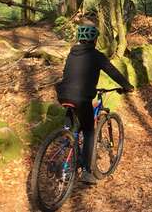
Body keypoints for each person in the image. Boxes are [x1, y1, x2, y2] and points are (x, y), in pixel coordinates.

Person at [55, 20, 134, 184]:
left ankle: (65, 153)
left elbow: (67, 75)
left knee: (72, 128)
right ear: (95, 40)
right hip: (82, 98)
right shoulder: (97, 56)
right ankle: (87, 171)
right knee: (90, 131)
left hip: (63, 95)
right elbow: (113, 73)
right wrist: (127, 86)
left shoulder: (71, 53)